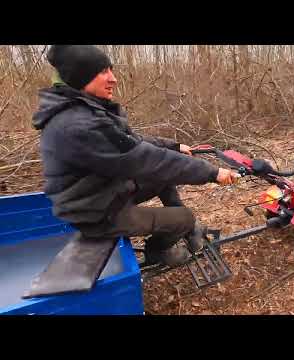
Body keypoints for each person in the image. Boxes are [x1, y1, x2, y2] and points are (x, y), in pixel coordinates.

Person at [32, 45, 237, 267]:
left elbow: (130, 141)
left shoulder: (84, 110)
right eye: (103, 72)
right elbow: (147, 159)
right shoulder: (78, 125)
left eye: (111, 70)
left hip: (101, 192)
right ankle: (158, 251)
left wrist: (174, 146)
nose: (114, 79)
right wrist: (213, 172)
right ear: (80, 76)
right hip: (95, 213)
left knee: (163, 177)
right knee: (183, 216)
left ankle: (186, 229)